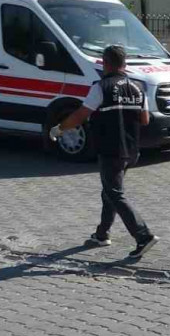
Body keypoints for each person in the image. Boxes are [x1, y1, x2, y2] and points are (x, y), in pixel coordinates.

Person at [50, 45, 159, 259]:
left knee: (114, 193)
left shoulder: (101, 87)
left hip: (111, 149)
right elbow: (145, 120)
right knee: (110, 190)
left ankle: (143, 236)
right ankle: (102, 234)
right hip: (131, 149)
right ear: (124, 64)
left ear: (105, 63)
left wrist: (59, 128)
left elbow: (81, 114)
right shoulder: (138, 87)